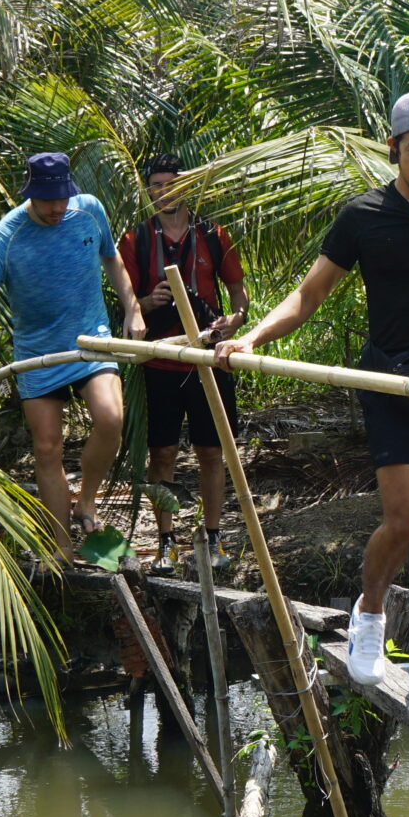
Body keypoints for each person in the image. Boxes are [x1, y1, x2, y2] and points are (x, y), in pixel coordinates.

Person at [214, 90, 409, 716]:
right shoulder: (362, 216)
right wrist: (252, 337)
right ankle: (370, 613)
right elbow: (309, 294)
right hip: (389, 382)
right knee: (405, 518)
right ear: (395, 150)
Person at [0, 151, 145, 544]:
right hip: (37, 355)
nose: (57, 208)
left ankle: (86, 501)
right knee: (47, 447)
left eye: (62, 198)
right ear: (30, 194)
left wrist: (132, 309)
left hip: (91, 341)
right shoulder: (6, 236)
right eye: (47, 200)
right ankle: (61, 547)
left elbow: (111, 257)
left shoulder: (89, 211)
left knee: (111, 420)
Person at [120, 154, 247, 561]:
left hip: (209, 360)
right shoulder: (135, 238)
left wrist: (234, 321)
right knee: (163, 453)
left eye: (169, 184)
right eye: (154, 186)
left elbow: (239, 296)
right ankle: (166, 543)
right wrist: (146, 301)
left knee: (213, 451)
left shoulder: (213, 234)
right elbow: (128, 305)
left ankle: (213, 538)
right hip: (160, 361)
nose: (161, 193)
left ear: (186, 186)